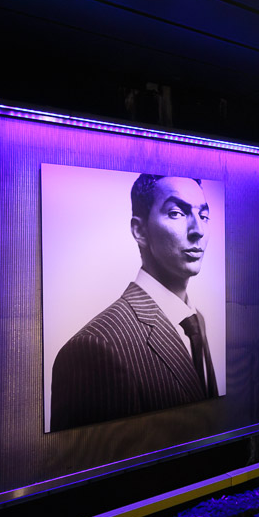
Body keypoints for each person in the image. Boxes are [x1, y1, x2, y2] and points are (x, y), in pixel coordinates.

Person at [50, 174, 218, 431]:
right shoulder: (95, 348)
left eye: (203, 215)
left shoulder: (196, 323)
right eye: (176, 213)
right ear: (139, 230)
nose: (198, 231)